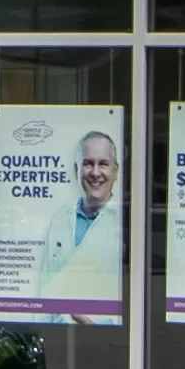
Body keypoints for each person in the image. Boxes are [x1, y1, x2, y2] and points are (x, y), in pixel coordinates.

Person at [41, 126, 123, 303]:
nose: (95, 172)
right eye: (88, 163)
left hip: (106, 328)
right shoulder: (60, 220)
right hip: (57, 328)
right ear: (76, 169)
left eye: (103, 164)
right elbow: (45, 284)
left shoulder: (125, 223)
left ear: (115, 171)